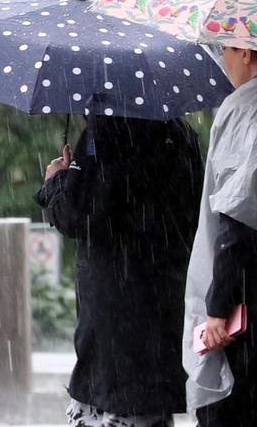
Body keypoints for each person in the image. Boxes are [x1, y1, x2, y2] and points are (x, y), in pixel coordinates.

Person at [35, 111, 203, 427]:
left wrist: (56, 180)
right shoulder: (179, 134)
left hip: (114, 307)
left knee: (113, 405)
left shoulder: (106, 132)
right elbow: (194, 214)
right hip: (164, 298)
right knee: (147, 408)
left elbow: (77, 216)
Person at [184, 45, 257, 426]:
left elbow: (236, 222)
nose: (224, 58)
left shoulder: (244, 111)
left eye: (228, 48)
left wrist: (216, 310)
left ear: (246, 52)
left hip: (247, 300)